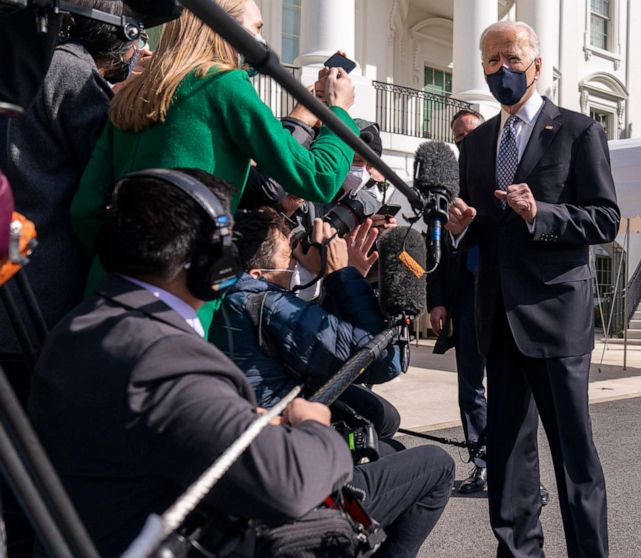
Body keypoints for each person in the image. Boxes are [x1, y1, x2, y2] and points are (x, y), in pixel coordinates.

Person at [29, 168, 453, 557]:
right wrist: (313, 425)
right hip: (197, 527)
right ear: (208, 262)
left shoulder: (83, 325)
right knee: (435, 465)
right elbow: (288, 484)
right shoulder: (161, 356)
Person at [70, 0, 360, 332]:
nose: (262, 43)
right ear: (226, 30)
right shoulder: (222, 85)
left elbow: (85, 209)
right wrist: (338, 112)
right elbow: (318, 178)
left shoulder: (134, 92)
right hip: (179, 291)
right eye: (256, 30)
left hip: (106, 286)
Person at [444, 20, 619, 558]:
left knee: (574, 457)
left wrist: (539, 212)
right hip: (497, 319)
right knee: (508, 457)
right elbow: (484, 229)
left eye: (512, 58)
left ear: (536, 66)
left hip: (556, 317)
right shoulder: (473, 145)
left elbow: (605, 220)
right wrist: (461, 227)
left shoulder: (577, 131)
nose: (503, 70)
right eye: (491, 61)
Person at [0, 0, 145, 373]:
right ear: (123, 35)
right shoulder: (72, 72)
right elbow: (104, 173)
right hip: (40, 295)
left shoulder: (33, 61)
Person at [212, 207, 405, 450]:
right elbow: (385, 361)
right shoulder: (267, 304)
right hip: (278, 438)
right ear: (258, 274)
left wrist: (345, 278)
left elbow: (328, 337)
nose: (296, 262)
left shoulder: (228, 291)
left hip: (257, 415)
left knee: (381, 415)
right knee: (429, 462)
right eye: (287, 257)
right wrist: (342, 275)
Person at [427, 108, 491, 493]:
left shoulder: (505, 176)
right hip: (465, 301)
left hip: (503, 300)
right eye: (459, 138)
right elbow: (435, 248)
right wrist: (437, 301)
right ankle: (482, 463)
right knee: (470, 388)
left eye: (471, 135)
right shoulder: (447, 188)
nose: (464, 143)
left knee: (510, 388)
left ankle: (516, 469)